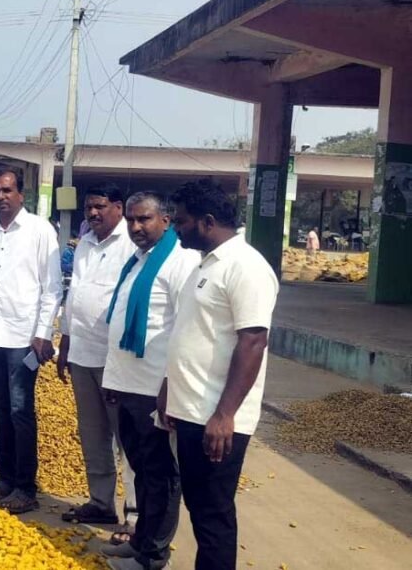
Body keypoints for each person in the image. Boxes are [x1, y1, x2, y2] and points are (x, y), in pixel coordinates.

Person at [158, 179, 277, 570]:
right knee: (200, 507)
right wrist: (169, 386)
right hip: (191, 409)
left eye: (181, 221)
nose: (175, 227)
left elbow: (253, 341)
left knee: (213, 515)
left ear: (207, 222)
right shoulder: (205, 264)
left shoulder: (246, 267)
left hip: (217, 417)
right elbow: (192, 332)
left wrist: (225, 415)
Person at [99, 192, 199, 570]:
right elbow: (120, 322)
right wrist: (113, 378)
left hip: (154, 388)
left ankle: (154, 556)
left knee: (160, 474)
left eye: (144, 219)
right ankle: (141, 541)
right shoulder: (138, 261)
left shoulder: (180, 262)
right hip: (128, 385)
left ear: (165, 220)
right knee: (141, 469)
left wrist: (170, 386)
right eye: (131, 220)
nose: (136, 227)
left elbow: (185, 331)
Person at [0, 169, 60, 512]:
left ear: (21, 194)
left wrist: (43, 332)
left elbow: (52, 287)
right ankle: (5, 479)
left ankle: (25, 487)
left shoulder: (39, 230)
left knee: (20, 410)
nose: (1, 196)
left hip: (23, 338)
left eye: (8, 190)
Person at [59, 183, 139, 535]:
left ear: (118, 207)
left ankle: (135, 513)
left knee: (127, 438)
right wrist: (65, 341)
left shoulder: (131, 244)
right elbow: (74, 295)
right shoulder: (85, 244)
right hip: (82, 353)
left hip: (115, 360)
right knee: (93, 434)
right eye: (89, 207)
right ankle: (101, 503)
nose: (92, 213)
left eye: (100, 207)